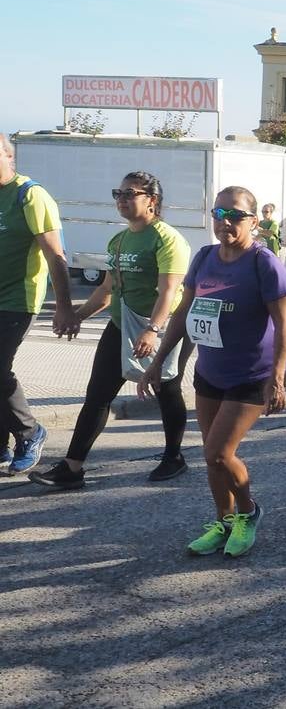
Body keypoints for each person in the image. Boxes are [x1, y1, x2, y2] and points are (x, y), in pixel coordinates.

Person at [140, 186, 286, 558]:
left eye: (235, 215)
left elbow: (283, 324)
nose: (225, 222)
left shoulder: (263, 262)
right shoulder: (205, 257)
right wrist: (158, 362)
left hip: (252, 375)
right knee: (211, 456)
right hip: (211, 371)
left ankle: (248, 512)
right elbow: (183, 313)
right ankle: (223, 523)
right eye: (219, 213)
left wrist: (277, 376)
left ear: (254, 222)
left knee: (220, 453)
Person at [29, 172, 192, 489]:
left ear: (152, 200)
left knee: (167, 391)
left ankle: (173, 456)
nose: (121, 199)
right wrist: (77, 316)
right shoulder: (118, 240)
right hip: (120, 326)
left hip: (161, 327)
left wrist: (152, 330)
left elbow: (169, 292)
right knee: (98, 396)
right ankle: (72, 468)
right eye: (118, 192)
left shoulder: (167, 239)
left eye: (130, 193)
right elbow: (107, 289)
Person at [0, 134, 77, 476]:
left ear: (8, 156)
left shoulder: (29, 194)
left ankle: (31, 432)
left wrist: (64, 306)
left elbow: (55, 255)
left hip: (18, 299)